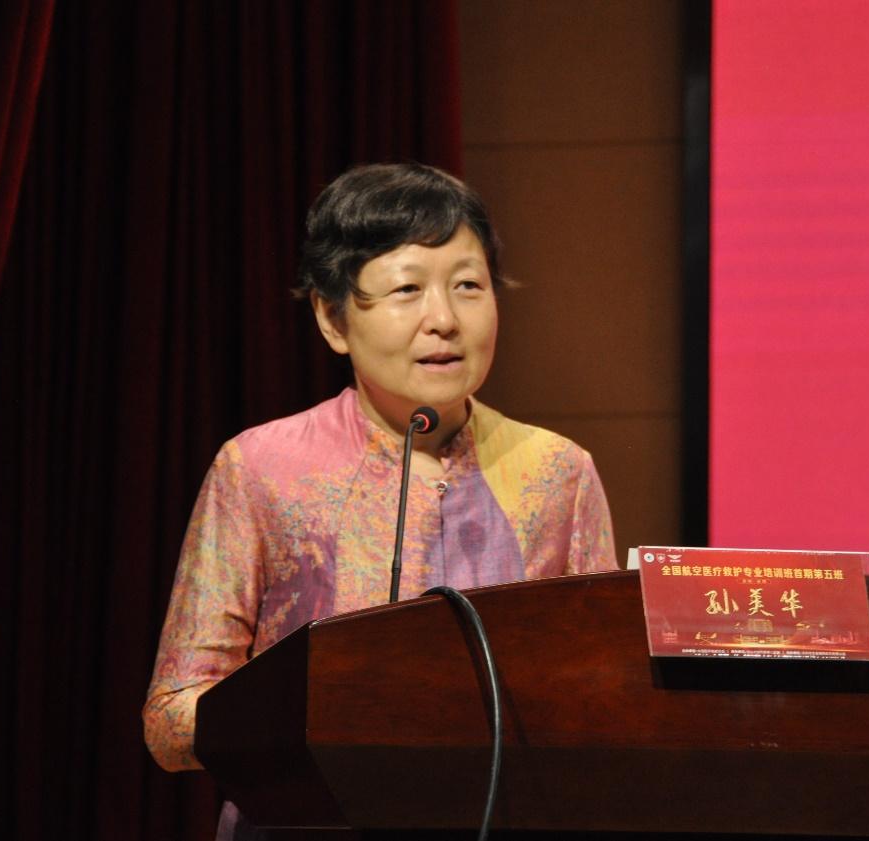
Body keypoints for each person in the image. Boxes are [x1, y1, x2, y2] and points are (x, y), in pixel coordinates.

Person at [143, 162, 617, 837]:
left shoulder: (558, 472)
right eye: (407, 289)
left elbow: (602, 700)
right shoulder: (261, 468)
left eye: (468, 286)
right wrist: (322, 714)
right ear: (332, 318)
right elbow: (171, 719)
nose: (444, 320)